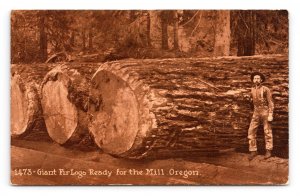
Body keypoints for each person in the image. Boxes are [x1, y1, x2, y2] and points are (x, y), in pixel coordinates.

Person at [248, 72, 274, 160]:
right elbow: (251, 102)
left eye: (258, 78)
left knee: (267, 131)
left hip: (265, 111)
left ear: (261, 80)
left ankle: (268, 150)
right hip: (256, 112)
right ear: (253, 80)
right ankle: (253, 150)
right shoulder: (252, 89)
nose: (256, 80)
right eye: (255, 78)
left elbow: (270, 102)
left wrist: (270, 114)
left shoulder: (265, 89)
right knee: (251, 131)